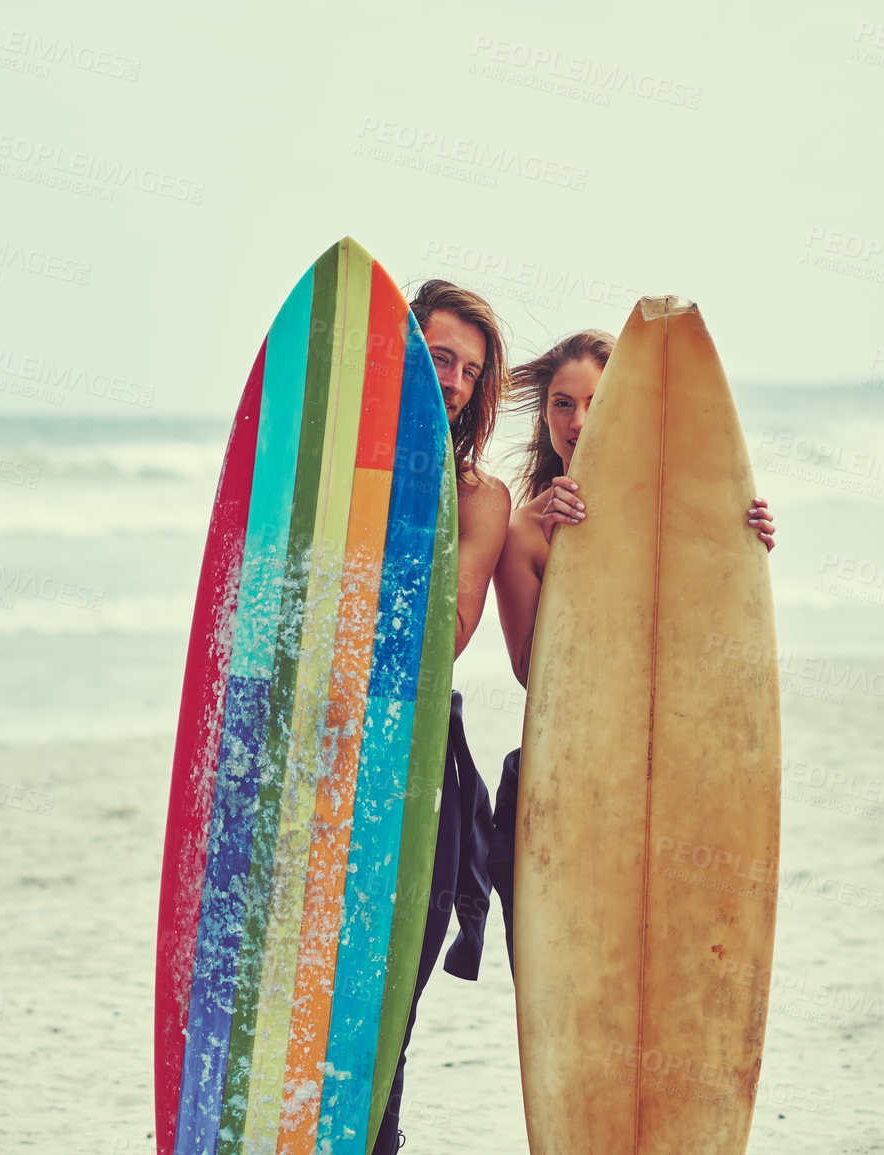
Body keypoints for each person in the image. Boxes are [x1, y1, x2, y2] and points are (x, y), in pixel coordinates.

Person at [487, 330, 776, 964]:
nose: (578, 421)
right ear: (544, 413)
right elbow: (533, 674)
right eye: (561, 403)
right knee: (571, 997)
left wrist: (741, 551)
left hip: (668, 789)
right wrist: (574, 558)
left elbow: (712, 656)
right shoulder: (527, 533)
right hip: (561, 792)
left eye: (596, 402)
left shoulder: (686, 524)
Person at [369, 281, 511, 1155]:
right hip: (318, 750)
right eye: (436, 355)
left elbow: (448, 636)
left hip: (418, 769)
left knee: (385, 1013)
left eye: (467, 367)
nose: (451, 379)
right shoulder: (334, 470)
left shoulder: (479, 497)